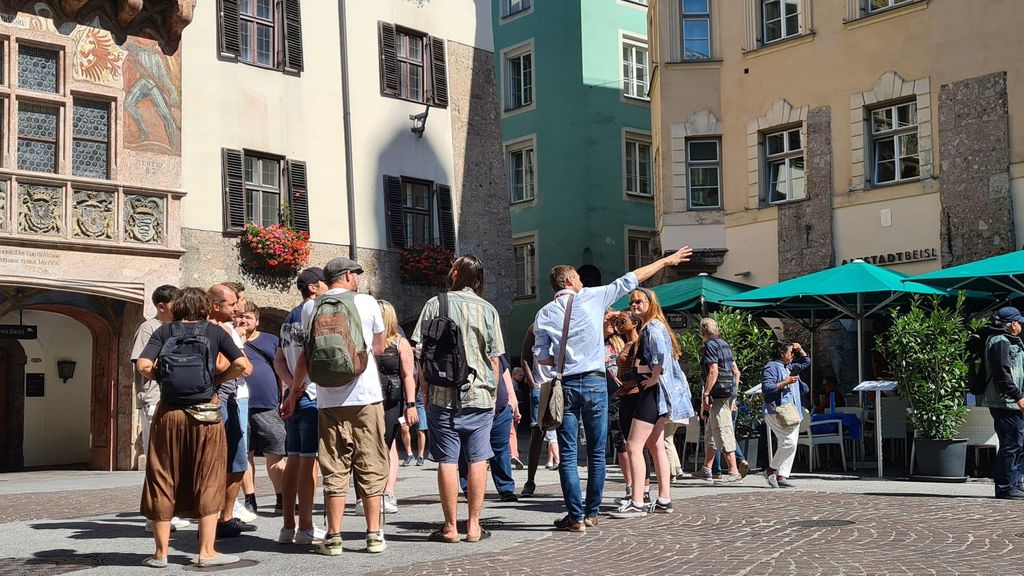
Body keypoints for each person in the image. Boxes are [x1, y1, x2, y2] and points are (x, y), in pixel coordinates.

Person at [533, 246, 692, 532]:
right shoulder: (591, 297)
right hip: (594, 381)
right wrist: (667, 261)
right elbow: (631, 278)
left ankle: (575, 517)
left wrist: (563, 354)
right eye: (578, 279)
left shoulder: (544, 313)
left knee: (569, 454)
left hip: (566, 382)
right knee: (597, 451)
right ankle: (592, 512)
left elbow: (542, 357)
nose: (582, 281)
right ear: (570, 280)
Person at [283, 257, 404, 555]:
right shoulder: (367, 303)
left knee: (334, 466)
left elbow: (304, 358)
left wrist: (294, 393)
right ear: (348, 276)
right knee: (371, 463)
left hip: (327, 397)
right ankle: (374, 534)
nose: (358, 279)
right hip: (365, 396)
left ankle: (334, 537)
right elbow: (377, 348)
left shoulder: (311, 307)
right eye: (357, 275)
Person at [136, 287, 249, 568]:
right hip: (206, 412)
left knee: (162, 476)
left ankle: (161, 554)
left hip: (169, 413)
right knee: (209, 475)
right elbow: (243, 365)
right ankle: (207, 551)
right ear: (205, 307)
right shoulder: (215, 332)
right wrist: (217, 381)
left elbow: (142, 364)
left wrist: (162, 379)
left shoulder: (164, 331)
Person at [413, 254, 504, 543]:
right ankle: (474, 525)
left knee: (448, 460)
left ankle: (451, 527)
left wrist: (424, 392)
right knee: (479, 458)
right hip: (479, 394)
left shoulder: (435, 303)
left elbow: (421, 352)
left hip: (442, 393)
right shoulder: (487, 309)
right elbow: (494, 358)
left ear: (455, 273)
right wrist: (492, 393)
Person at [611, 288, 694, 518]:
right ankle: (664, 499)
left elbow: (661, 356)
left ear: (650, 302)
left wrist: (654, 376)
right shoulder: (657, 325)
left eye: (639, 301)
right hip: (660, 394)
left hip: (653, 393)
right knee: (655, 445)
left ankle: (638, 501)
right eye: (632, 302)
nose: (635, 305)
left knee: (633, 445)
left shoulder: (652, 327)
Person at [130, 284, 190, 533]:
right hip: (154, 399)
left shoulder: (173, 328)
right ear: (162, 306)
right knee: (158, 460)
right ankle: (155, 516)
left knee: (172, 460)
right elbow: (141, 363)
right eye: (176, 305)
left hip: (171, 399)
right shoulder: (148, 328)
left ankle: (168, 510)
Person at [274, 268, 327, 545]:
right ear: (315, 287)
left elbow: (279, 360)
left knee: (293, 459)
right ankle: (306, 526)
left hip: (294, 396)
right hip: (311, 395)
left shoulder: (288, 317)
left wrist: (290, 388)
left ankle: (287, 526)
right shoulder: (315, 312)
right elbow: (308, 356)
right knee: (309, 462)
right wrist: (298, 388)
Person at [207, 283, 255, 537]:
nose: (238, 308)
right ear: (216, 306)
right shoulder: (219, 330)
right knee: (223, 460)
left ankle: (223, 517)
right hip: (221, 400)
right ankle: (215, 518)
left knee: (234, 460)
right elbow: (241, 367)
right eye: (232, 303)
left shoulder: (225, 330)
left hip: (230, 399)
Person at [235, 300, 286, 515]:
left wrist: (284, 396)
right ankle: (250, 499)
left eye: (248, 317)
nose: (243, 320)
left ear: (257, 321)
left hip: (267, 404)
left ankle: (282, 497)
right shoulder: (230, 337)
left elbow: (281, 368)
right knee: (245, 452)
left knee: (275, 452)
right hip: (238, 402)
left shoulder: (270, 340)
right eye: (240, 316)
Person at [459, 356, 521, 502]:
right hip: (472, 407)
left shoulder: (493, 346)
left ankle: (506, 489)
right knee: (468, 450)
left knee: (501, 450)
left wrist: (512, 399)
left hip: (499, 409)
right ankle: (470, 489)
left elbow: (503, 369)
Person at [376, 300, 419, 514]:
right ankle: (368, 493)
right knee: (366, 446)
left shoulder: (400, 343)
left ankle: (388, 492)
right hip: (369, 400)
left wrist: (411, 405)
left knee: (389, 445)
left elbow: (408, 376)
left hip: (392, 399)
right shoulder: (365, 341)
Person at [978, 307, 1024, 500]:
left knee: (1018, 443)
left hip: (1010, 401)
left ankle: (1014, 483)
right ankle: (1006, 487)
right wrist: (1017, 396)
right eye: (1018, 322)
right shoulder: (999, 342)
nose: (1021, 325)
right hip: (1005, 402)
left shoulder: (1009, 341)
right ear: (1012, 324)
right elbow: (1002, 373)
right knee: (1011, 444)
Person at [696, 318, 744, 483]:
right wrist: (733, 395)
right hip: (728, 393)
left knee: (723, 430)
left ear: (702, 332)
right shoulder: (724, 344)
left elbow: (713, 370)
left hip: (718, 394)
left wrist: (706, 393)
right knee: (711, 432)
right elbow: (736, 372)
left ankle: (733, 471)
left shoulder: (709, 345)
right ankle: (707, 469)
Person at [761, 340, 811, 488]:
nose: (793, 355)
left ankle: (781, 475)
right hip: (776, 411)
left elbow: (806, 362)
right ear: (782, 353)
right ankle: (771, 470)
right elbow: (767, 387)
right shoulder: (771, 366)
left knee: (792, 444)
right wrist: (785, 382)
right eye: (791, 352)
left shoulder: (789, 366)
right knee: (788, 443)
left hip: (791, 412)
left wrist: (800, 349)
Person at [612, 311, 647, 506]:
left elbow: (639, 371)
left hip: (633, 394)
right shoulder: (624, 343)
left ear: (634, 323)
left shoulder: (637, 344)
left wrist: (623, 382)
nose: (618, 324)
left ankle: (643, 490)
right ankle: (637, 489)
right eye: (618, 321)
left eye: (622, 321)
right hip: (625, 395)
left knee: (637, 445)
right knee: (629, 443)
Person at [603, 311, 631, 502]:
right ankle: (630, 486)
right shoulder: (596, 343)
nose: (615, 324)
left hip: (627, 396)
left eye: (617, 321)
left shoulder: (622, 342)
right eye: (611, 320)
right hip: (611, 399)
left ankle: (638, 488)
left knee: (633, 444)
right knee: (621, 445)